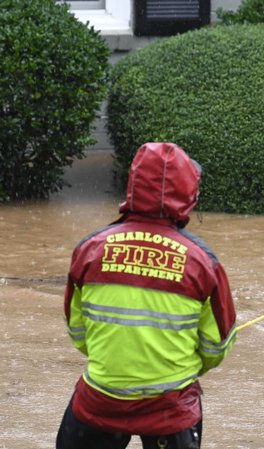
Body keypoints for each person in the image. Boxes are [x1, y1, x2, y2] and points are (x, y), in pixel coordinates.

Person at [56, 142, 237, 449]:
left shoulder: (89, 249)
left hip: (101, 400)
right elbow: (217, 345)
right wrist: (173, 367)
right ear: (188, 192)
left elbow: (77, 331)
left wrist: (119, 362)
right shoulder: (202, 261)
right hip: (171, 409)